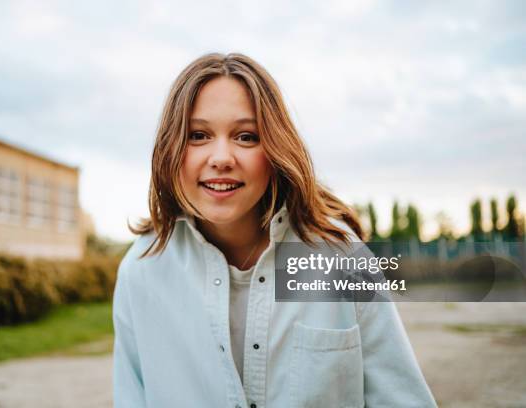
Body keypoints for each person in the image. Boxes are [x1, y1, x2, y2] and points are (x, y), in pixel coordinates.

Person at [113, 52, 437, 407]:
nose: (221, 157)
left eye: (246, 136)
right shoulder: (141, 270)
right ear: (171, 149)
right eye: (199, 135)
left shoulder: (339, 256)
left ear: (275, 149)